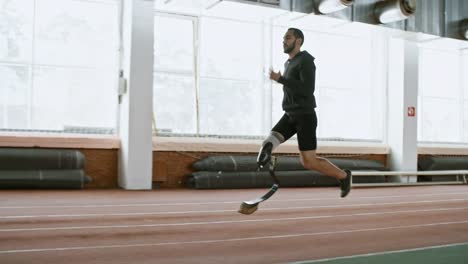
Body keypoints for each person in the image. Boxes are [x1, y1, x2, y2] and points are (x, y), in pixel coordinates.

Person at [257, 28, 352, 198]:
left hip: (305, 116)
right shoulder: (288, 63)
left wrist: (281, 79)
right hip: (290, 114)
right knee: (267, 145)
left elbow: (308, 89)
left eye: (288, 38)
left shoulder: (306, 61)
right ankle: (267, 155)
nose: (284, 41)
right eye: (283, 38)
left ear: (298, 41)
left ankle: (344, 176)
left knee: (308, 161)